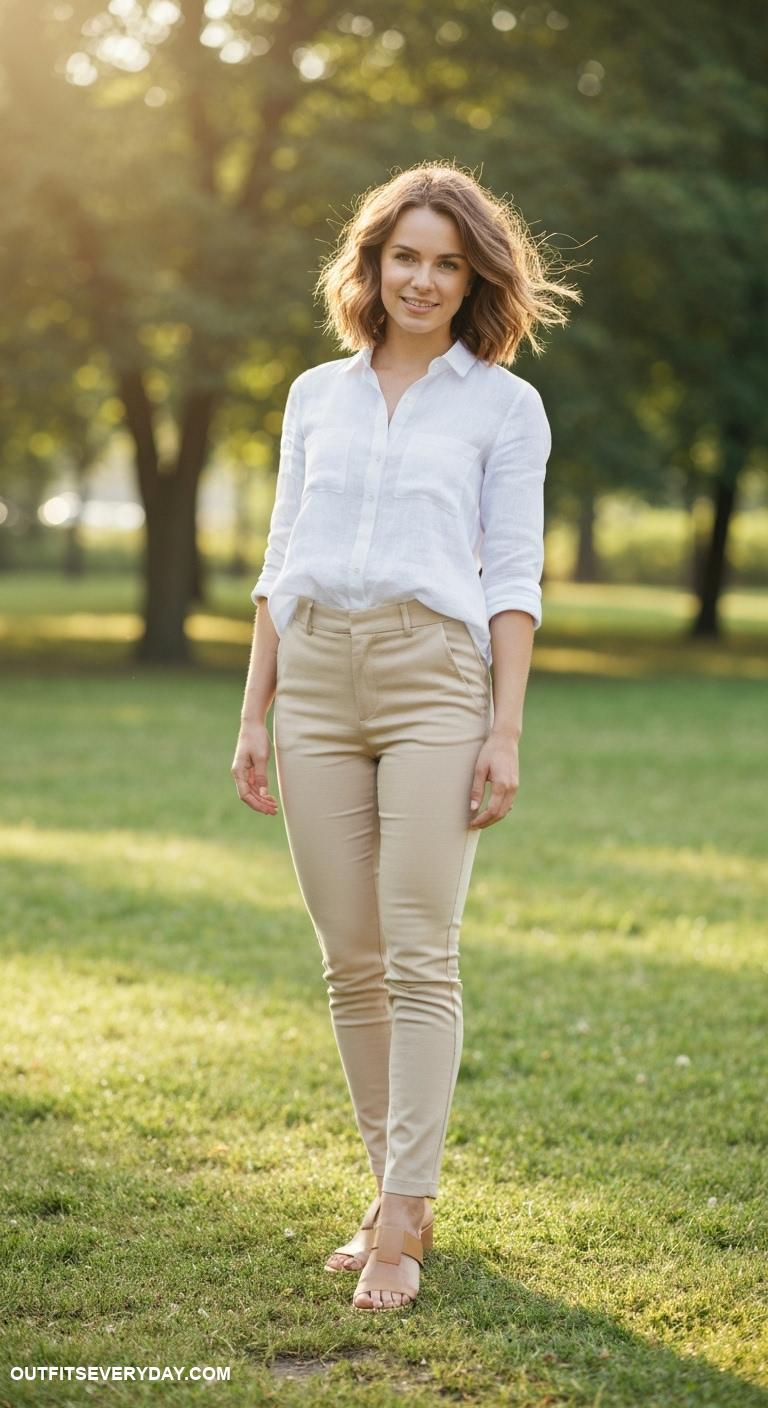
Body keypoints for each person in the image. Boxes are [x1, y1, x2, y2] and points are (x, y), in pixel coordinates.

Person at [232, 161, 580, 1312]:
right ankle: (393, 1185)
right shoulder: (312, 396)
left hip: (437, 679)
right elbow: (282, 558)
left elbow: (514, 574)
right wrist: (255, 708)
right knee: (352, 961)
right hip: (318, 680)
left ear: (472, 276)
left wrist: (506, 728)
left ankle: (402, 1221)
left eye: (447, 262)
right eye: (405, 257)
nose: (424, 280)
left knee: (421, 948)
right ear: (370, 266)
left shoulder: (503, 405)